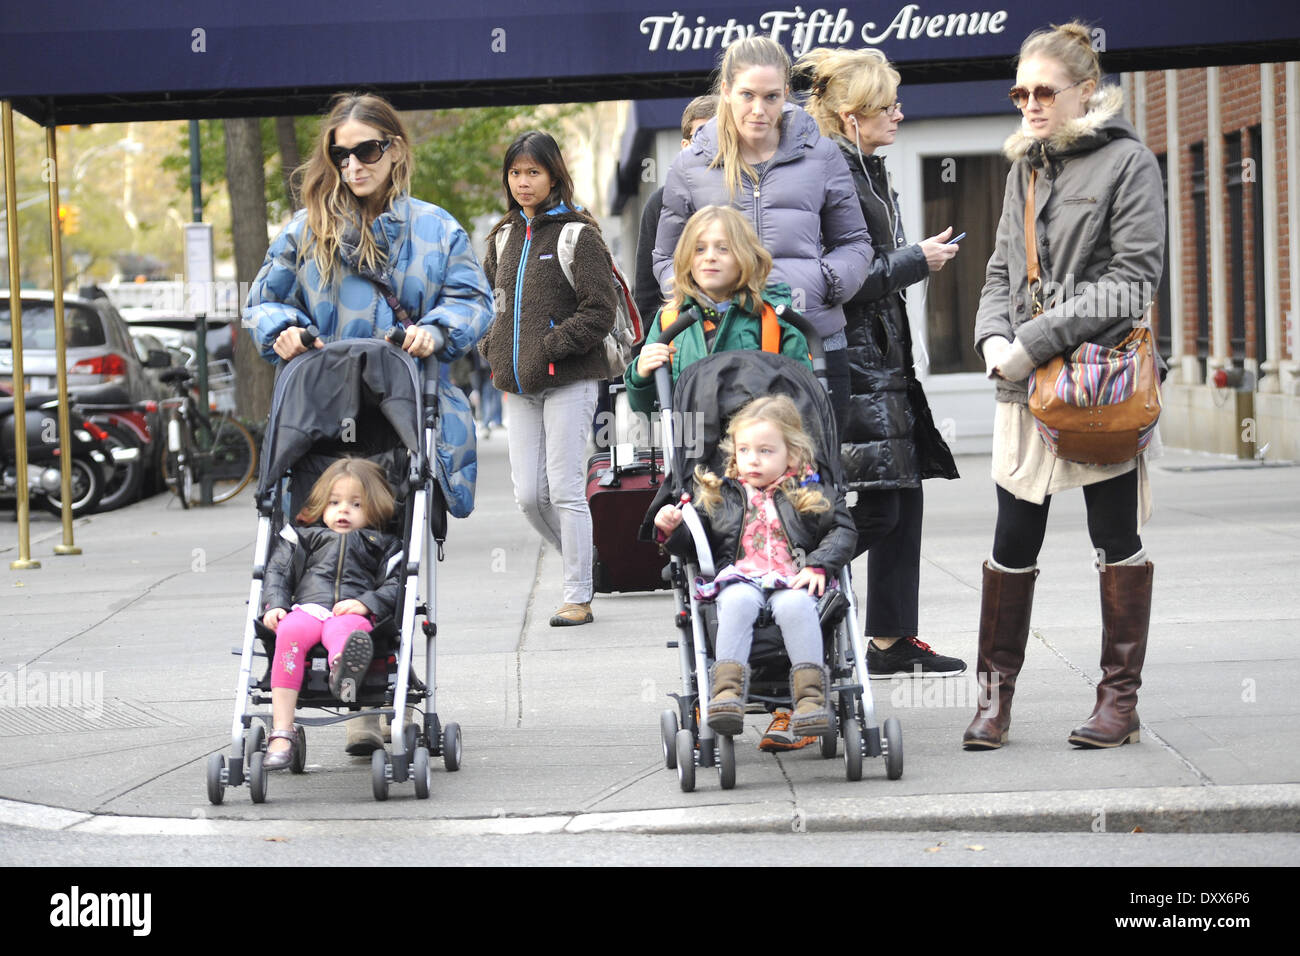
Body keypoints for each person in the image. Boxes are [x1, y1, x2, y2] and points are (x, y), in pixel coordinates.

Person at [246, 92, 494, 754]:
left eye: (368, 150)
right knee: (321, 546)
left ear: (395, 150)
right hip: (322, 416)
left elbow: (475, 300)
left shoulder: (437, 229)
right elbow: (262, 301)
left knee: (392, 554)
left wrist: (437, 331)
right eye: (341, 153)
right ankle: (339, 694)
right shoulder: (303, 231)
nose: (354, 164)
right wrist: (284, 330)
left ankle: (378, 685)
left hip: (402, 410)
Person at [966, 22, 1165, 750]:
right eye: (1020, 91)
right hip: (1024, 387)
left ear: (1088, 91)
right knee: (1012, 539)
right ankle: (994, 700)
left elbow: (1132, 283)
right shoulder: (1027, 166)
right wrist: (992, 336)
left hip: (1100, 380)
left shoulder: (1129, 162)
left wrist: (1031, 342)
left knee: (1115, 536)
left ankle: (1119, 701)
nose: (1030, 104)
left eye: (1044, 91)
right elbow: (999, 269)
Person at [798, 47, 966, 679]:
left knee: (904, 492)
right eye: (887, 105)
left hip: (882, 355)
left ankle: (892, 641)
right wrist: (914, 260)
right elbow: (833, 277)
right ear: (849, 116)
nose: (900, 113)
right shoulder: (828, 175)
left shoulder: (865, 167)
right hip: (851, 357)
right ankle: (790, 575)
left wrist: (910, 262)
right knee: (881, 506)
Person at [651, 35, 873, 428]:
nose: (759, 109)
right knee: (726, 476)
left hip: (811, 338)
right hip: (719, 345)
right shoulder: (689, 166)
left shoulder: (821, 155)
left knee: (816, 478)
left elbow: (854, 243)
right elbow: (666, 258)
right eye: (747, 95)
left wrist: (824, 284)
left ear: (787, 93)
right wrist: (699, 295)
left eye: (771, 97)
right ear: (725, 92)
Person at [653, 395, 855, 738]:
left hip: (793, 578)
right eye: (744, 450)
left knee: (795, 606)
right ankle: (727, 693)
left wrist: (819, 565)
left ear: (791, 453)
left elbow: (843, 529)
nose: (753, 460)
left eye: (765, 451)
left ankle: (810, 699)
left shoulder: (810, 493)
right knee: (736, 602)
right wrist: (672, 529)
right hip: (739, 578)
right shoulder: (720, 495)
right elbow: (695, 543)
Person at [479, 130, 618, 627]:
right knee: (528, 496)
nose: (523, 182)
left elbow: (600, 310)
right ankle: (588, 562)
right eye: (515, 172)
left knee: (563, 489)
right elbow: (491, 306)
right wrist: (491, 345)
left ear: (554, 174)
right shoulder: (501, 237)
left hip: (570, 379)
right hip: (516, 384)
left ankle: (578, 594)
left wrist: (551, 346)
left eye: (533, 172)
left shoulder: (578, 234)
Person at [260, 459, 402, 769]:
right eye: (334, 502)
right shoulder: (303, 538)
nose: (343, 511)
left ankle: (343, 669)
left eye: (355, 504)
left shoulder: (384, 544)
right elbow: (277, 574)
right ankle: (282, 732)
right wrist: (275, 605)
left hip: (352, 611)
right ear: (321, 505)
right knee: (289, 632)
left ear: (374, 508)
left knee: (347, 632)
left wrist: (368, 602)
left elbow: (397, 585)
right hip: (308, 608)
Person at [624, 204, 810, 417]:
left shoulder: (776, 316)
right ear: (686, 258)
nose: (710, 257)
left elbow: (802, 398)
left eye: (723, 248)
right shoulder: (670, 320)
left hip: (758, 444)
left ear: (745, 256)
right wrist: (641, 376)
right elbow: (650, 411)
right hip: (693, 446)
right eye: (699, 249)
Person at [634, 95, 718, 322]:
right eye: (702, 136)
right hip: (680, 336)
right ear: (685, 146)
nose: (713, 145)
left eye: (721, 134)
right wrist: (647, 352)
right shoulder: (660, 202)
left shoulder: (751, 195)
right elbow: (646, 293)